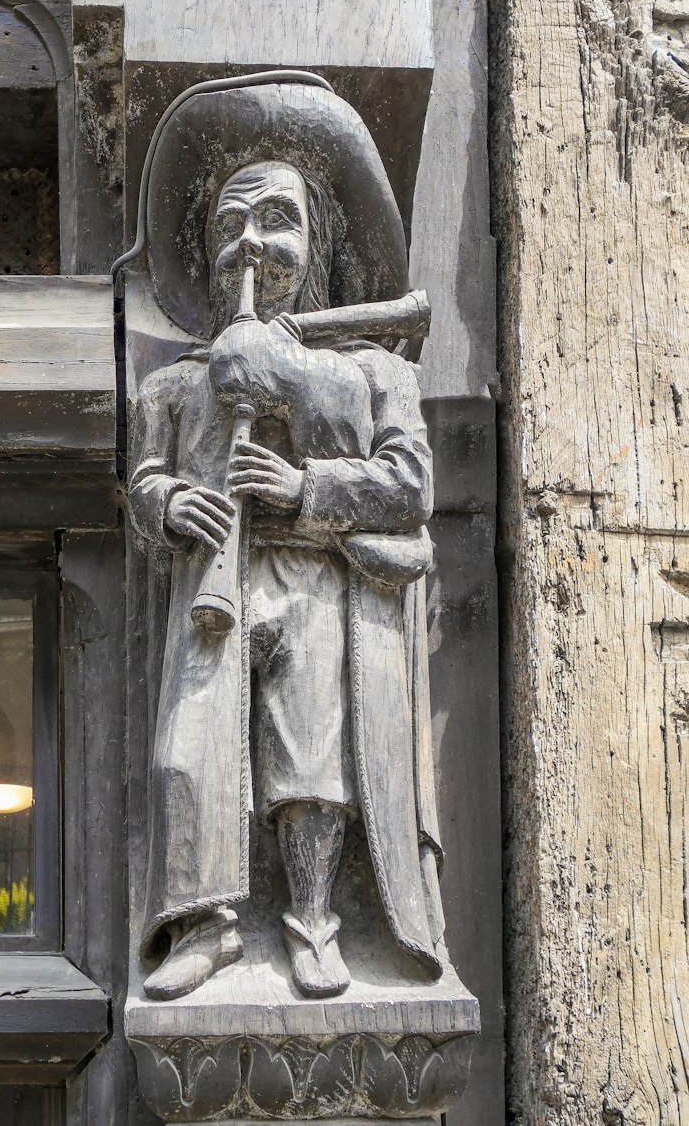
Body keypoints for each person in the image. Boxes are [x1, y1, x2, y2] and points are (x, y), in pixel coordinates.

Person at [128, 82, 445, 1002]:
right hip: (213, 588)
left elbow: (409, 486)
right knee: (188, 752)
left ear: (323, 245)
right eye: (232, 227)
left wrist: (305, 475)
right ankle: (210, 925)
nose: (252, 246)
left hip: (314, 585)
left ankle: (311, 921)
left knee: (311, 757)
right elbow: (147, 477)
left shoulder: (374, 370)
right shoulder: (178, 386)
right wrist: (169, 503)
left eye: (279, 222)